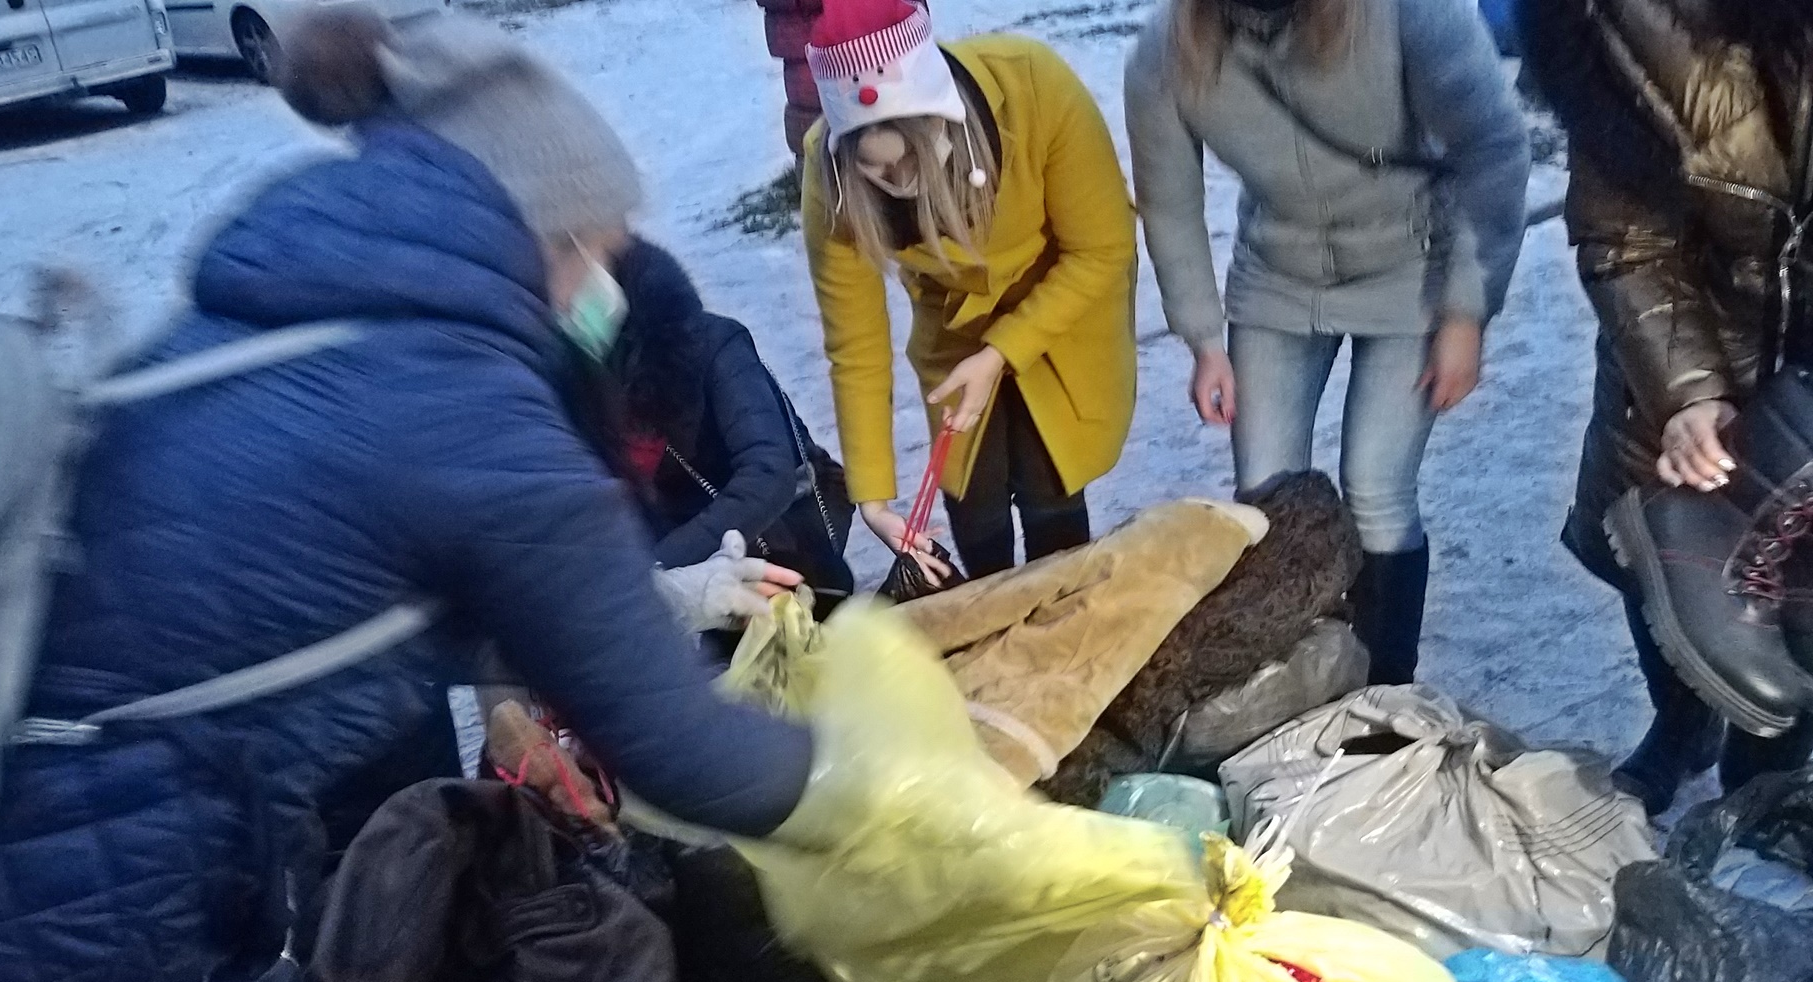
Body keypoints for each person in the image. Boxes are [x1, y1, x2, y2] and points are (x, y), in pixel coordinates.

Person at [0, 13, 821, 982]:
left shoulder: (287, 322)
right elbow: (696, 756)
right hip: (89, 926)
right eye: (606, 244)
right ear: (553, 229)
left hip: (18, 850)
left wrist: (676, 597)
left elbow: (395, 577)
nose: (612, 283)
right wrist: (890, 767)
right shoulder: (472, 412)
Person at [1125, 0, 1529, 685]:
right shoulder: (1164, 50)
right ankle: (1295, 676)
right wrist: (1203, 338)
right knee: (1267, 498)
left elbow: (1493, 148)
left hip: (1413, 264)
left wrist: (1467, 313)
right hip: (1277, 270)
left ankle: (1387, 687)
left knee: (1375, 487)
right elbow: (1169, 201)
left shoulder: (1406, 13)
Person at [1520, 0, 1813, 813]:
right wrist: (1688, 391)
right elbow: (1627, 241)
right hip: (1684, 333)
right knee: (1651, 556)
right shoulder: (1603, 28)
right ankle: (1681, 725)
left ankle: (1767, 781)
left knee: (1797, 587)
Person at [800, 0, 1138, 580]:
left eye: (907, 161)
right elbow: (855, 344)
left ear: (938, 117)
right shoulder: (827, 175)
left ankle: (1065, 624)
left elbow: (1102, 248)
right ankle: (989, 625)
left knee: (1048, 482)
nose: (898, 185)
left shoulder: (1036, 85)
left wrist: (1003, 351)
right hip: (953, 327)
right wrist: (873, 496)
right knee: (973, 496)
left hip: (1061, 305)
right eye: (876, 173)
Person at [597, 239, 855, 599]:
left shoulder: (711, 344)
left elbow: (768, 475)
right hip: (688, 551)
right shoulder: (580, 381)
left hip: (786, 527)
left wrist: (653, 571)